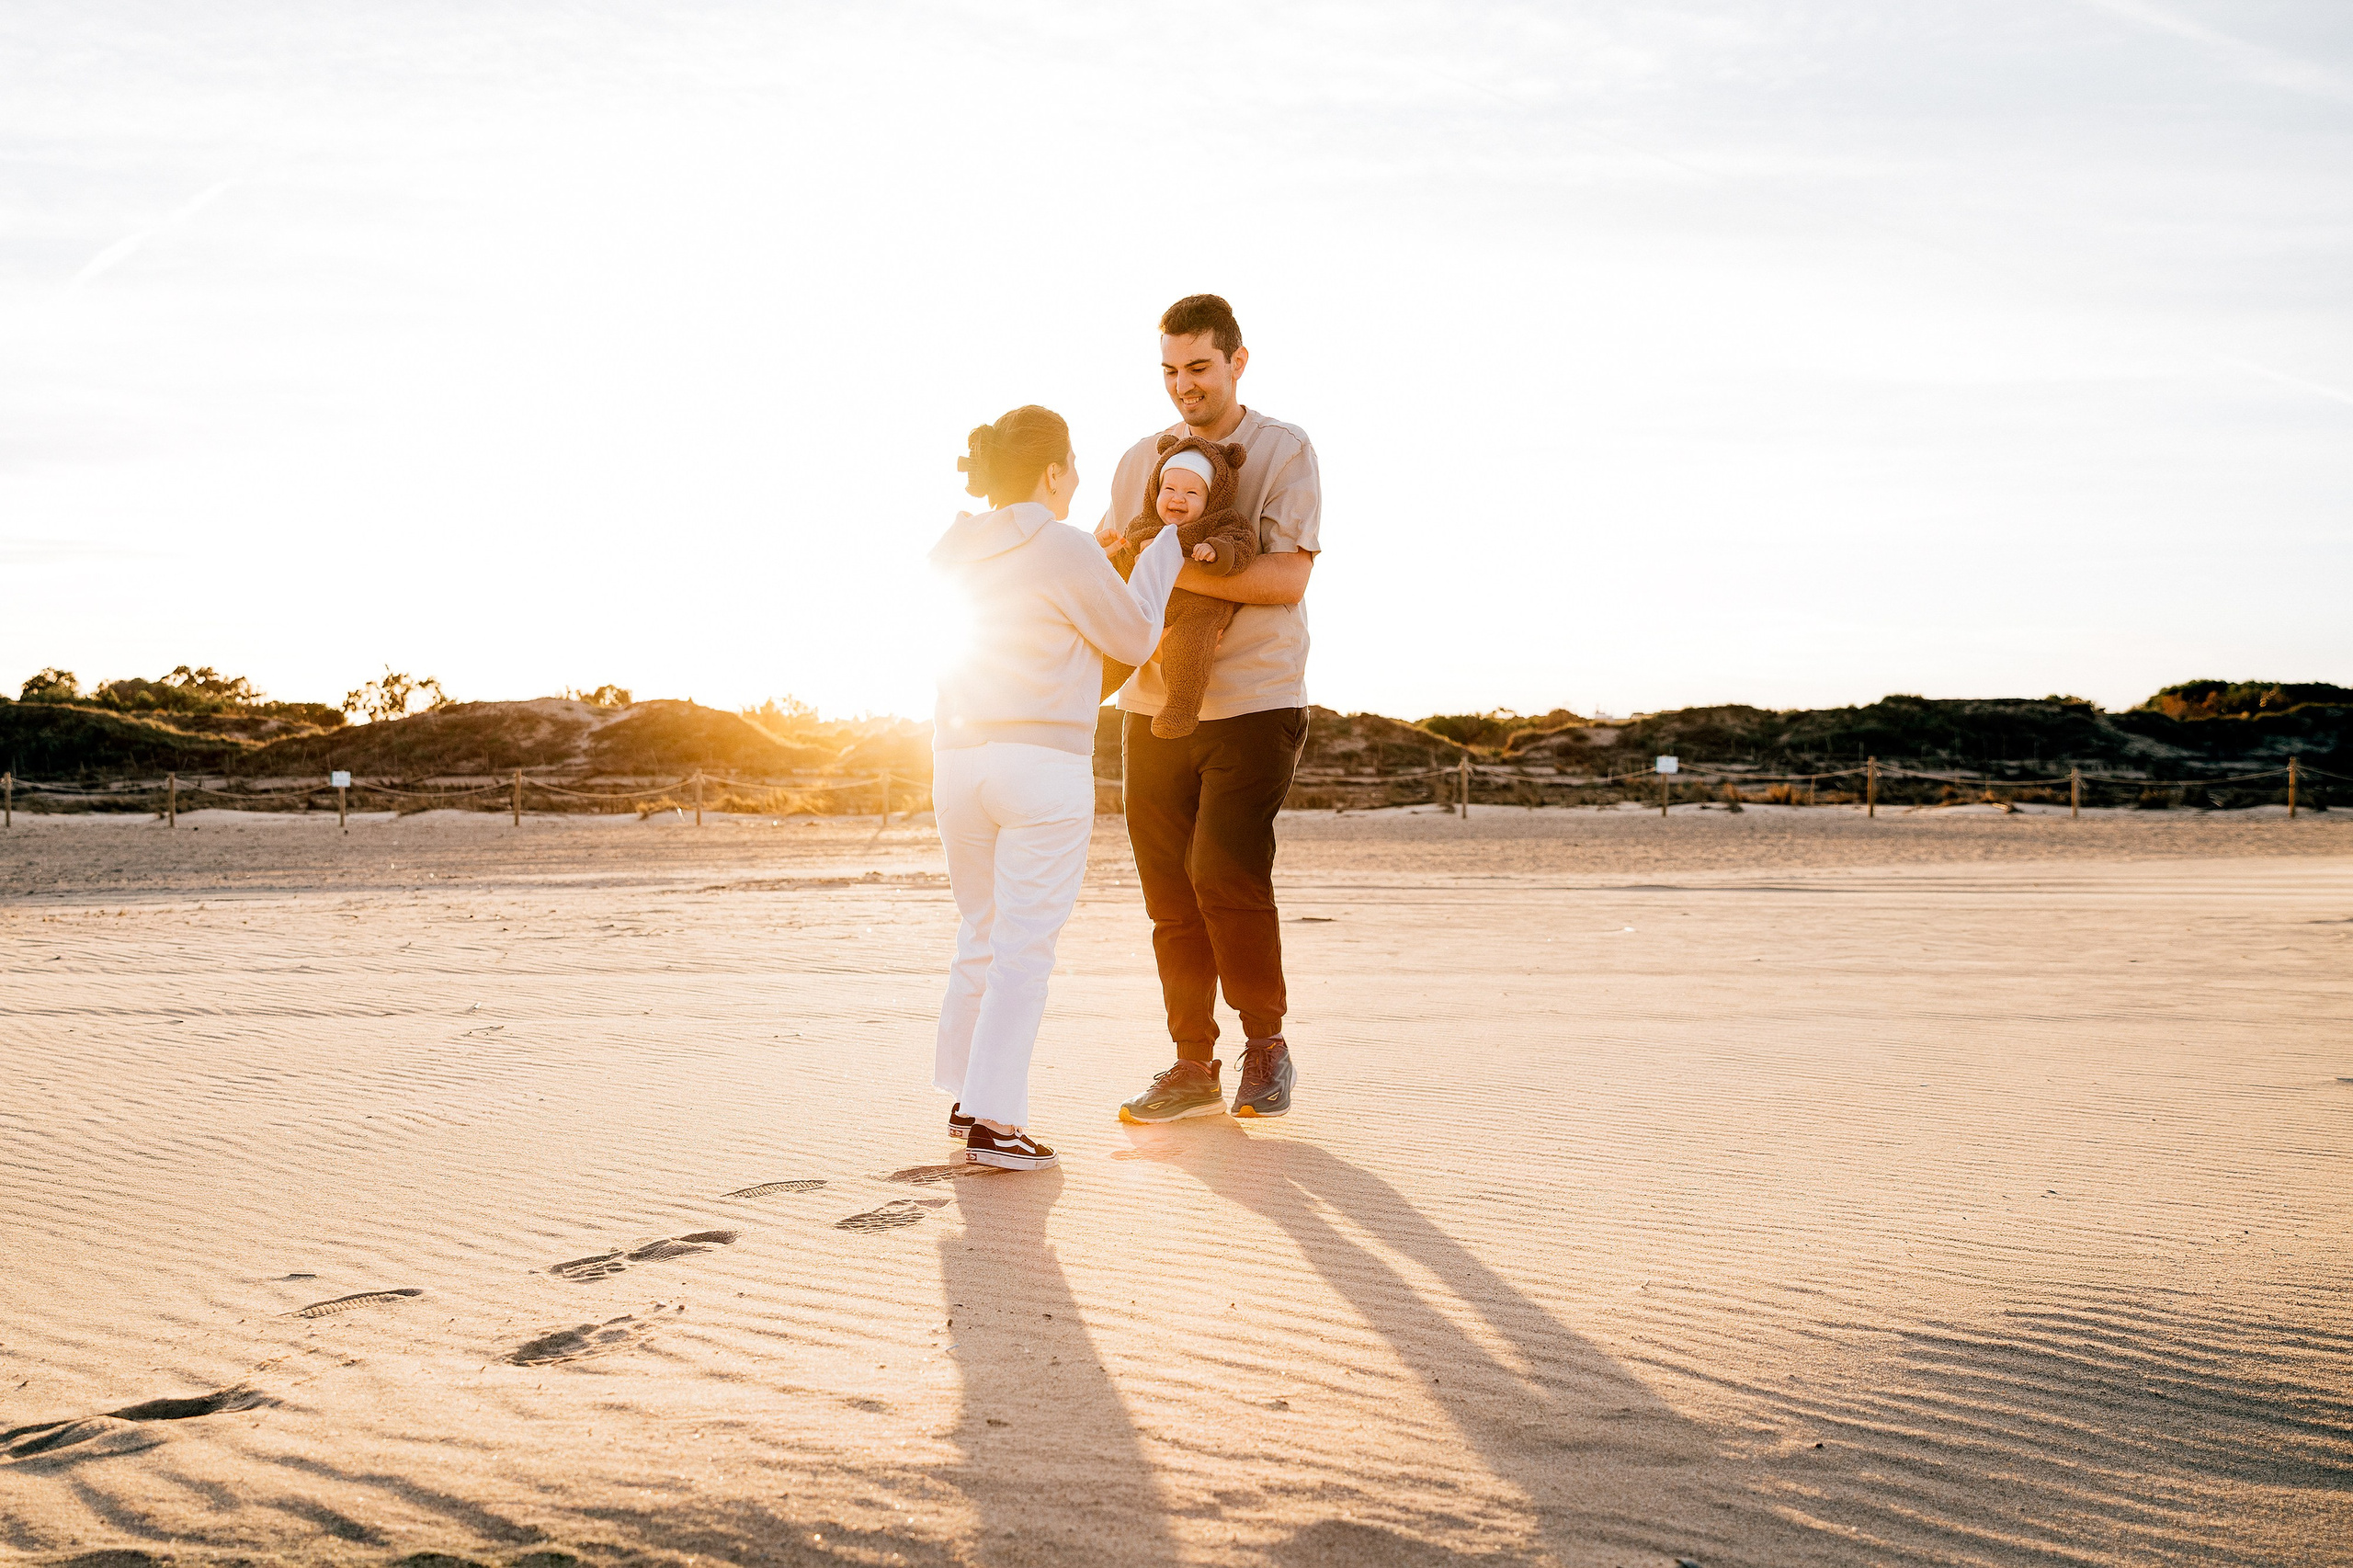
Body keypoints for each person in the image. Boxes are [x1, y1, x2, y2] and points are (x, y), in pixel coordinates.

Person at [929, 404, 1183, 1169]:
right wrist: (1165, 549)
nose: (1077, 481)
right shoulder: (1067, 547)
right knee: (1024, 950)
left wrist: (1092, 563)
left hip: (956, 761)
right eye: (1072, 466)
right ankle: (997, 1124)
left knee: (981, 931)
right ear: (1050, 469)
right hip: (1040, 767)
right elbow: (1135, 637)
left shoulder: (954, 547)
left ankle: (966, 1095)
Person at [1096, 295, 1322, 1125]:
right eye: (1169, 371)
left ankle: (1267, 1046)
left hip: (1256, 698)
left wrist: (1167, 565)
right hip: (1153, 706)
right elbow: (1105, 564)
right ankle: (1192, 1064)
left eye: (1198, 368)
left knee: (1224, 875)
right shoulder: (1136, 461)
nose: (1183, 386)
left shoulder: (1282, 449)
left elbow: (1283, 579)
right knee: (1168, 894)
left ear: (1237, 362)